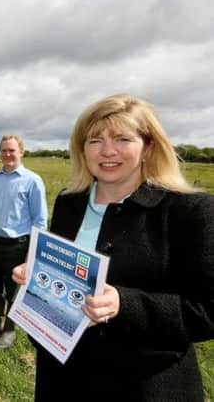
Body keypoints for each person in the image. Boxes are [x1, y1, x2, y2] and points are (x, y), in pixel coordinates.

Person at [12, 94, 214, 401]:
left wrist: (123, 304)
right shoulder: (70, 202)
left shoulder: (190, 211)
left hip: (144, 386)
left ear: (148, 146)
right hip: (63, 377)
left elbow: (207, 311)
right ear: (82, 148)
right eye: (94, 140)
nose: (107, 151)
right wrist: (38, 275)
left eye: (122, 139)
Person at [0, 134, 48, 349]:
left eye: (12, 150)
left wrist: (33, 252)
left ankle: (9, 331)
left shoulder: (32, 180)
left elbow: (40, 220)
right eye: (4, 150)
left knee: (14, 292)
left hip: (17, 245)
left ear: (21, 152)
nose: (7, 154)